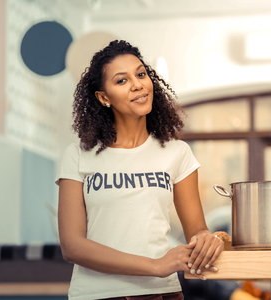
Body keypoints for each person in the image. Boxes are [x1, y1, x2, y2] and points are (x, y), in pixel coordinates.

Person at [55, 40, 224, 300]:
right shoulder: (78, 156)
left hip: (162, 294)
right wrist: (155, 266)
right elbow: (72, 246)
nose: (137, 84)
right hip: (96, 295)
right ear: (103, 97)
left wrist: (207, 240)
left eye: (141, 74)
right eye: (121, 81)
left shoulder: (177, 153)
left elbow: (196, 231)